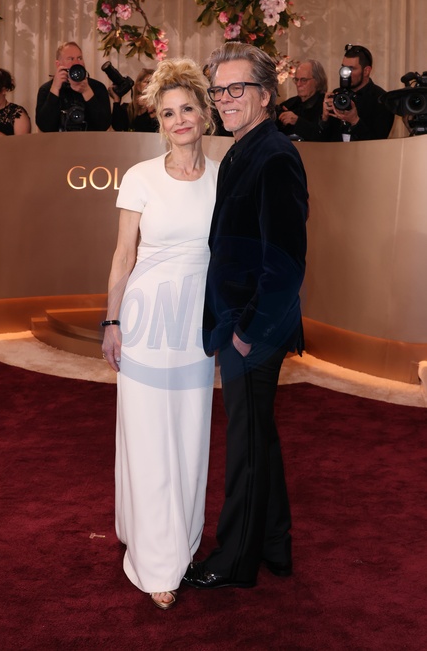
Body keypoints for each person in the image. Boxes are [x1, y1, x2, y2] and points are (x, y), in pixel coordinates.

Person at [182, 42, 308, 590]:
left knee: (246, 448)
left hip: (256, 328)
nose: (225, 98)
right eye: (218, 90)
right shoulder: (241, 150)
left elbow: (286, 261)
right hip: (242, 322)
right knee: (258, 436)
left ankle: (233, 561)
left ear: (266, 94)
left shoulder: (274, 155)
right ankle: (275, 545)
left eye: (238, 88)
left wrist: (246, 332)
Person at [101, 58, 219, 610]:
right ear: (159, 121)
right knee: (148, 432)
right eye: (168, 113)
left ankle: (182, 539)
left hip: (196, 322)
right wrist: (112, 321)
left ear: (205, 112)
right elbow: (123, 255)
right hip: (146, 317)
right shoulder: (141, 176)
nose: (179, 120)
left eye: (187, 108)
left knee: (190, 432)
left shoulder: (224, 177)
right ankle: (155, 558)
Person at [319, 44, 394, 141]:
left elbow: (378, 142)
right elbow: (324, 139)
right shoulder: (338, 95)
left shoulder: (382, 100)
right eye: (343, 68)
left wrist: (355, 121)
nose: (345, 74)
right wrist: (324, 119)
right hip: (336, 151)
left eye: (351, 69)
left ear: (366, 71)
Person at [35, 41, 111, 132]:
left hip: (90, 140)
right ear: (58, 64)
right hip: (57, 140)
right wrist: (55, 89)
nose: (76, 63)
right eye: (70, 59)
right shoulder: (46, 89)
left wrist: (87, 91)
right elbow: (45, 127)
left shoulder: (97, 87)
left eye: (80, 58)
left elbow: (103, 126)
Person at [277, 59, 327, 141]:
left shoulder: (326, 105)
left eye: (304, 80)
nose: (298, 84)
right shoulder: (290, 104)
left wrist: (297, 122)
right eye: (296, 80)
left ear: (317, 81)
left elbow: (325, 136)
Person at [110, 68, 158, 132]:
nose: (151, 85)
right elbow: (117, 127)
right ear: (138, 86)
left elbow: (158, 129)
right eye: (147, 82)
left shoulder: (159, 109)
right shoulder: (127, 109)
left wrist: (150, 106)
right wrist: (116, 99)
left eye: (154, 83)